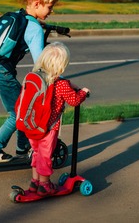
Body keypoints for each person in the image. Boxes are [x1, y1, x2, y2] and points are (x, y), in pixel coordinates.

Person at [0, 0, 60, 163]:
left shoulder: (19, 16)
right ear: (37, 3)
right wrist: (57, 77)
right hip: (1, 73)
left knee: (23, 108)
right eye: (49, 6)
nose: (51, 11)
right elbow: (40, 63)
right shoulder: (34, 28)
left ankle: (23, 148)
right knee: (19, 113)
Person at [27, 42, 90, 196]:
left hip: (31, 125)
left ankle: (35, 182)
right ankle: (45, 185)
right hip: (48, 129)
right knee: (46, 157)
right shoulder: (60, 84)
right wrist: (83, 92)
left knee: (36, 153)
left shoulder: (35, 77)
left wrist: (69, 83)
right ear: (61, 66)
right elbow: (74, 100)